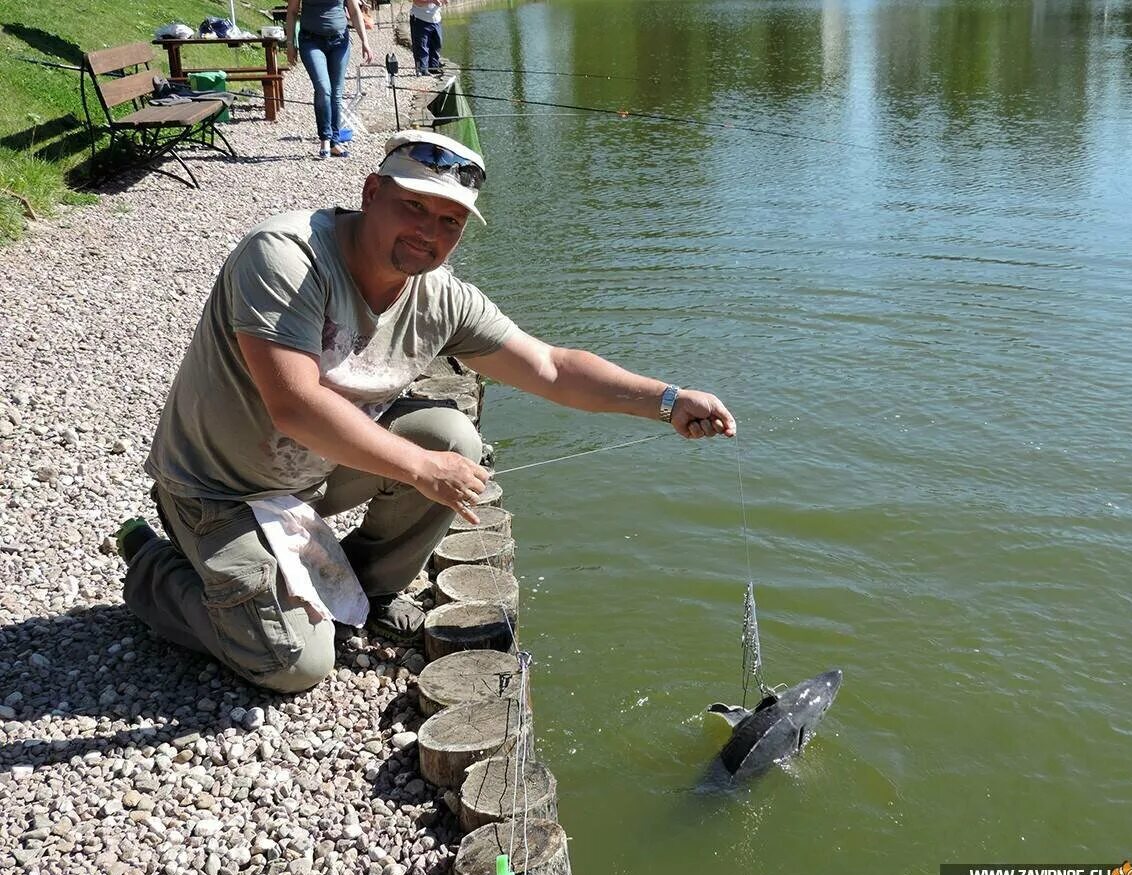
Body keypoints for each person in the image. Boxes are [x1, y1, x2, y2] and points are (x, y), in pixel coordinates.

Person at [115, 129, 736, 694]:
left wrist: (668, 400)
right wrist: (416, 467)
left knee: (450, 438)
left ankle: (369, 586)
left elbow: (550, 367)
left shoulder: (443, 297)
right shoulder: (284, 257)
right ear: (371, 191)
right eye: (413, 206)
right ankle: (152, 568)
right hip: (217, 488)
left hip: (315, 475)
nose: (427, 232)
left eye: (449, 220)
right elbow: (294, 405)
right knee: (294, 666)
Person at [286, 0, 374, 158]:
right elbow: (292, 12)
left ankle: (335, 141)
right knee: (323, 89)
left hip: (339, 41)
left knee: (336, 93)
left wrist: (365, 41)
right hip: (311, 40)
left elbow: (354, 11)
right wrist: (290, 43)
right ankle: (325, 138)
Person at [409, 0, 444, 76]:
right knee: (422, 46)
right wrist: (432, 1)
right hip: (420, 19)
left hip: (436, 20)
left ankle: (433, 68)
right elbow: (416, 2)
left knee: (437, 44)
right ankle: (422, 70)